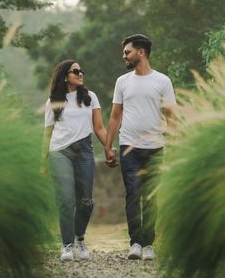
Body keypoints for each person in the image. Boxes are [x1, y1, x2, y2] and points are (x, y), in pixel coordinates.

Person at [104, 34, 176, 261]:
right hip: (128, 148)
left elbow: (171, 116)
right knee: (133, 194)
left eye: (127, 51)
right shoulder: (122, 81)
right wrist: (108, 146)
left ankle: (148, 244)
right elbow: (115, 116)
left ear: (141, 52)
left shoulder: (162, 81)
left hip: (155, 147)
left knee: (150, 197)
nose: (124, 55)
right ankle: (135, 243)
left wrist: (173, 144)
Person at [42, 60, 112, 262]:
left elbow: (99, 127)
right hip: (59, 153)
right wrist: (43, 162)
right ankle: (67, 245)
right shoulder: (53, 101)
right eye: (75, 71)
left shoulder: (90, 98)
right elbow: (47, 134)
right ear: (65, 76)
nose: (80, 73)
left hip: (84, 151)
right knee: (65, 201)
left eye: (81, 70)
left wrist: (108, 147)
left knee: (86, 201)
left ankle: (79, 237)